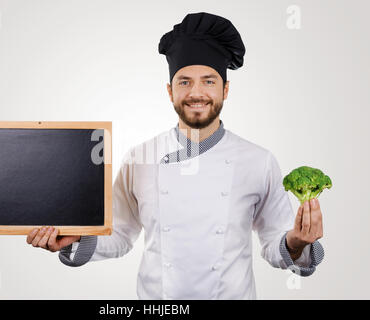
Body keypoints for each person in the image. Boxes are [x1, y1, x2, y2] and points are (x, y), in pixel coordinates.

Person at [26, 12, 324, 299]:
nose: (197, 92)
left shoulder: (258, 161)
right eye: (184, 82)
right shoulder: (139, 158)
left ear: (226, 89)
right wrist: (76, 238)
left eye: (209, 81)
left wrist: (295, 243)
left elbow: (276, 244)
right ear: (170, 91)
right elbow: (119, 234)